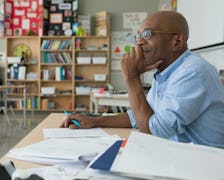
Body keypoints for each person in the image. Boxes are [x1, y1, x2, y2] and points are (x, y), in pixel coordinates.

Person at [61, 11, 224, 148]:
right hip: (178, 155)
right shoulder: (167, 72)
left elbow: (154, 130)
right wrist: (95, 121)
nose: (139, 42)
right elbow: (139, 117)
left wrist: (131, 78)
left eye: (147, 34)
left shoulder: (193, 71)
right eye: (138, 36)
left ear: (177, 42)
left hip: (204, 164)